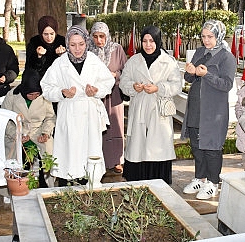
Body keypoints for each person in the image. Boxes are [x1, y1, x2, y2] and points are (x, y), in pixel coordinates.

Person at [40, 25, 114, 186]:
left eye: (81, 44)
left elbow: (109, 81)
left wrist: (96, 90)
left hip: (89, 112)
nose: (77, 48)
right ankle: (66, 186)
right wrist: (62, 92)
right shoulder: (60, 63)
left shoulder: (94, 61)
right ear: (67, 44)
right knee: (69, 153)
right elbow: (46, 88)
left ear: (86, 42)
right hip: (69, 112)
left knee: (89, 152)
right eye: (73, 45)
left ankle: (91, 184)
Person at [119, 25, 182, 184]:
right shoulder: (134, 60)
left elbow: (176, 85)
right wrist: (133, 86)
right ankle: (138, 182)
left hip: (158, 109)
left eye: (152, 41)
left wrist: (158, 88)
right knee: (138, 147)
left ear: (158, 41)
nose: (148, 45)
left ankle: (158, 183)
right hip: (139, 107)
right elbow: (123, 82)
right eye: (145, 41)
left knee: (157, 147)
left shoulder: (168, 62)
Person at [181, 19, 236, 200]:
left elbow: (226, 84)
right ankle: (200, 178)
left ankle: (213, 183)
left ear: (219, 36)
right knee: (197, 146)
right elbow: (190, 78)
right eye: (203, 36)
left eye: (210, 37)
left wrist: (207, 75)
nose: (206, 40)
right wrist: (189, 71)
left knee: (211, 147)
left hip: (213, 111)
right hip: (196, 108)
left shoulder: (227, 57)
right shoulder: (199, 52)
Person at [1, 69, 56, 188]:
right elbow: (5, 120)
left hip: (38, 131)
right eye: (30, 94)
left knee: (46, 150)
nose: (34, 97)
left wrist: (46, 133)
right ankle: (21, 182)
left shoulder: (44, 96)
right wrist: (17, 135)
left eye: (37, 94)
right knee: (20, 153)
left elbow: (50, 118)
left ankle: (44, 180)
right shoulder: (12, 96)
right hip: (17, 132)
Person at [88, 21, 128, 174]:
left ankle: (116, 160)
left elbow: (126, 72)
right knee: (97, 127)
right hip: (96, 97)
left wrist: (115, 75)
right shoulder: (88, 50)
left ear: (107, 36)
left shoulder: (116, 49)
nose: (99, 40)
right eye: (96, 36)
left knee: (115, 126)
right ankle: (98, 160)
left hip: (113, 95)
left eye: (102, 36)